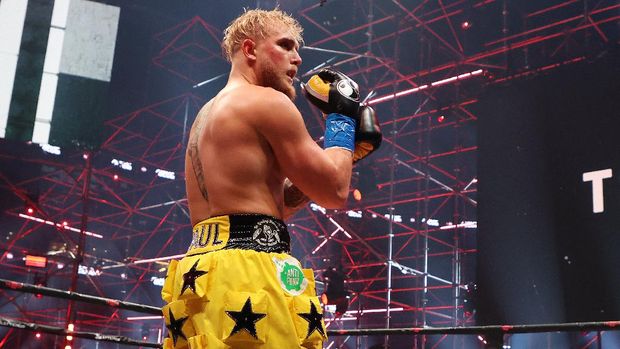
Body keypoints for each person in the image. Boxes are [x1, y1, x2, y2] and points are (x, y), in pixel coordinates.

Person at [160, 8, 381, 349]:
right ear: (250, 50)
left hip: (200, 278)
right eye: (285, 46)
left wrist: (346, 156)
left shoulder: (206, 114)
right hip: (251, 274)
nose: (297, 59)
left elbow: (267, 211)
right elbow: (335, 190)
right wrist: (342, 120)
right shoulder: (269, 102)